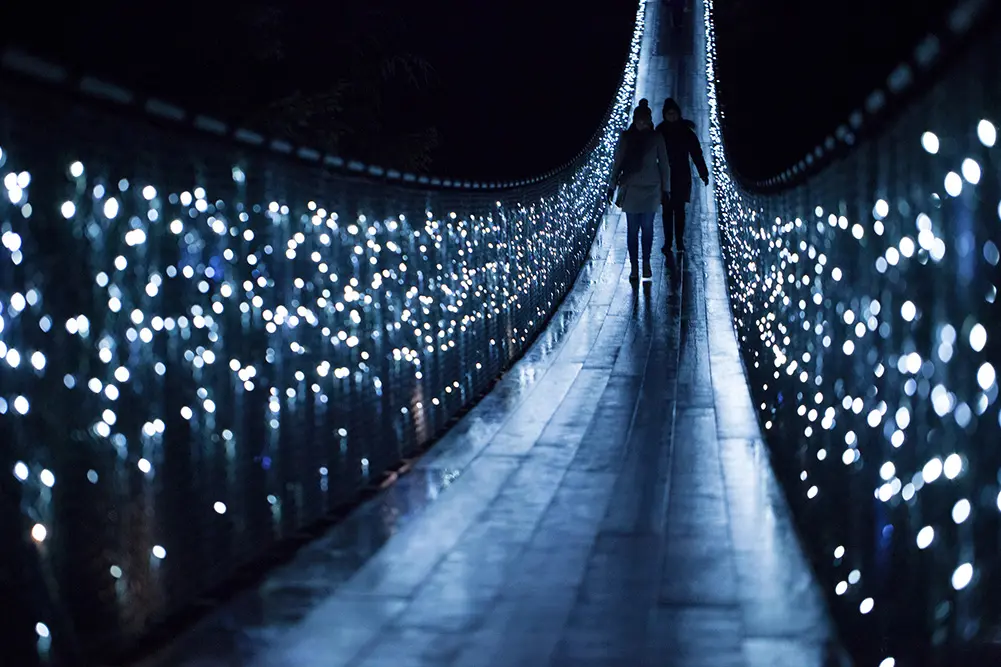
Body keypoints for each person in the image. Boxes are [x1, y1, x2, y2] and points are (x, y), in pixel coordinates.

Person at [609, 101, 670, 282]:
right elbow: (617, 162)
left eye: (645, 121)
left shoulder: (657, 137)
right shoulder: (627, 138)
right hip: (631, 188)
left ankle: (646, 263)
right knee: (633, 229)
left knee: (647, 227)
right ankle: (635, 266)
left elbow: (664, 164)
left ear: (650, 121)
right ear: (635, 120)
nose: (642, 124)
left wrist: (666, 189)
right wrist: (612, 185)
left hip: (651, 188)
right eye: (639, 121)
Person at [656, 97, 709, 256]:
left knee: (678, 210)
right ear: (665, 115)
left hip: (680, 176)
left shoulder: (685, 133)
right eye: (669, 114)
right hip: (665, 177)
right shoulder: (660, 132)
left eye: (674, 113)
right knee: (667, 211)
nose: (672, 116)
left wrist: (703, 173)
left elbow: (696, 154)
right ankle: (668, 242)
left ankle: (678, 240)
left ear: (678, 114)